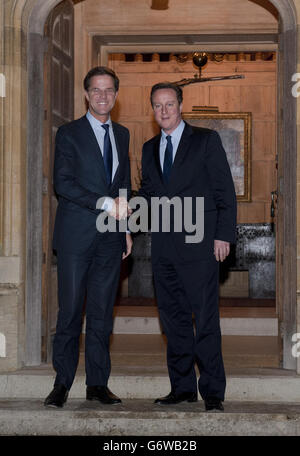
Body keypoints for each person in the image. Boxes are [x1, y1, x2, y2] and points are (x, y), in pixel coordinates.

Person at [139, 82, 236, 411]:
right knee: (174, 320)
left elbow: (224, 190)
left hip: (200, 246)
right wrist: (123, 213)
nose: (163, 110)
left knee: (205, 320)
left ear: (181, 105)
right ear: (152, 110)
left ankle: (212, 392)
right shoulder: (148, 148)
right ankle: (181, 387)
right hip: (164, 249)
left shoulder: (206, 141)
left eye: (169, 104)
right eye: (157, 105)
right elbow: (149, 195)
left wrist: (223, 235)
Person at [44, 66, 132, 408]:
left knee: (101, 314)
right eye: (96, 90)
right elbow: (62, 184)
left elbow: (122, 183)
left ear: (115, 95)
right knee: (69, 313)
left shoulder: (122, 134)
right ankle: (61, 383)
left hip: (111, 238)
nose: (102, 96)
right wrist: (105, 203)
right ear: (86, 94)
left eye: (109, 90)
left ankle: (97, 384)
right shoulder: (68, 133)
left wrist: (126, 229)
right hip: (76, 237)